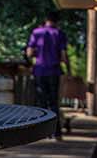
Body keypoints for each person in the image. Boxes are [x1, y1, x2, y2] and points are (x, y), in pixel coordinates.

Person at [26, 11, 68, 139]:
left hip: (39, 70)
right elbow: (63, 56)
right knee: (54, 102)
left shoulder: (37, 32)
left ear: (46, 19)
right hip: (54, 70)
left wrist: (38, 55)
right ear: (57, 21)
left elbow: (29, 52)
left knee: (41, 101)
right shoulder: (59, 34)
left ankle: (42, 132)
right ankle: (56, 132)